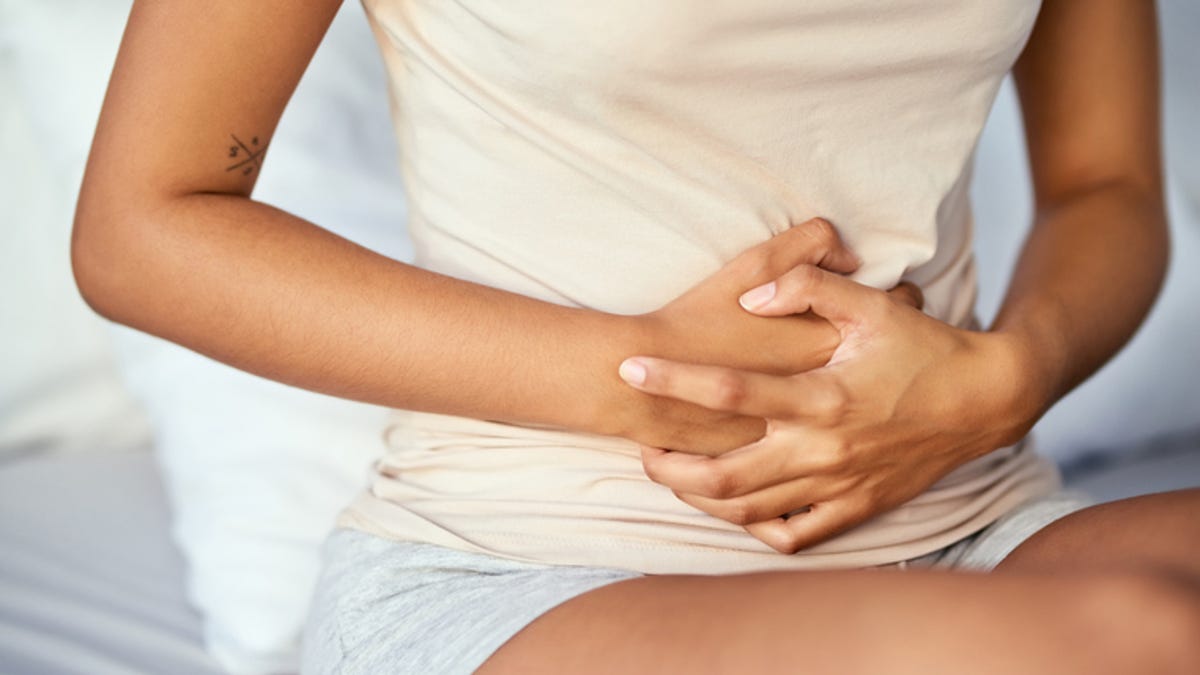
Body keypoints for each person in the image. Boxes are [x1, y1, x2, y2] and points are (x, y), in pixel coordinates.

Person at [73, 0, 1199, 673]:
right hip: (531, 570)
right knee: (1134, 641)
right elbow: (144, 228)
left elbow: (1106, 185)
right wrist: (655, 381)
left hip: (977, 526)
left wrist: (1009, 380)